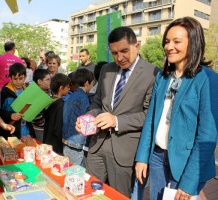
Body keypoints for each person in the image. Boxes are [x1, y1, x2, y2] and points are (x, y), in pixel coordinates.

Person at [135, 17, 218, 200]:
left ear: (194, 42)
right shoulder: (163, 77)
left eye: (177, 41)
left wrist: (190, 182)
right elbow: (151, 119)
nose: (169, 46)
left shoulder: (208, 79)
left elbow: (207, 135)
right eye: (167, 41)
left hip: (186, 162)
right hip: (157, 157)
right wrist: (142, 157)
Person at [75, 26, 159, 198]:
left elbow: (149, 115)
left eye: (124, 51)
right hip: (97, 144)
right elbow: (98, 101)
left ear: (137, 45)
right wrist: (88, 117)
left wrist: (117, 121)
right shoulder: (107, 70)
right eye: (114, 53)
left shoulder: (153, 73)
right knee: (89, 192)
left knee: (118, 196)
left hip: (125, 150)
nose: (120, 58)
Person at [63, 68, 94, 165]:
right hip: (76, 143)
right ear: (87, 83)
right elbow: (87, 120)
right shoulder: (83, 97)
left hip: (66, 140)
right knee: (76, 175)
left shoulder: (70, 95)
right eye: (92, 83)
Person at [0, 63, 35, 140]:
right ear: (10, 78)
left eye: (21, 78)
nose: (18, 82)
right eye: (15, 79)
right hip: (11, 131)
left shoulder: (27, 91)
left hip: (26, 130)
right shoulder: (5, 92)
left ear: (25, 77)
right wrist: (10, 115)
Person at [43, 73, 70, 155]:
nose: (69, 89)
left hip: (47, 139)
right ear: (61, 88)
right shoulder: (61, 104)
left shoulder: (48, 101)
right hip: (56, 145)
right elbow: (58, 128)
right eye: (68, 87)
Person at [32, 69, 51, 142]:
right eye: (47, 80)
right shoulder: (34, 95)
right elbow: (35, 114)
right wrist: (45, 124)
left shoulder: (49, 92)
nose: (50, 82)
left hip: (46, 128)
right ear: (39, 81)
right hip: (39, 129)